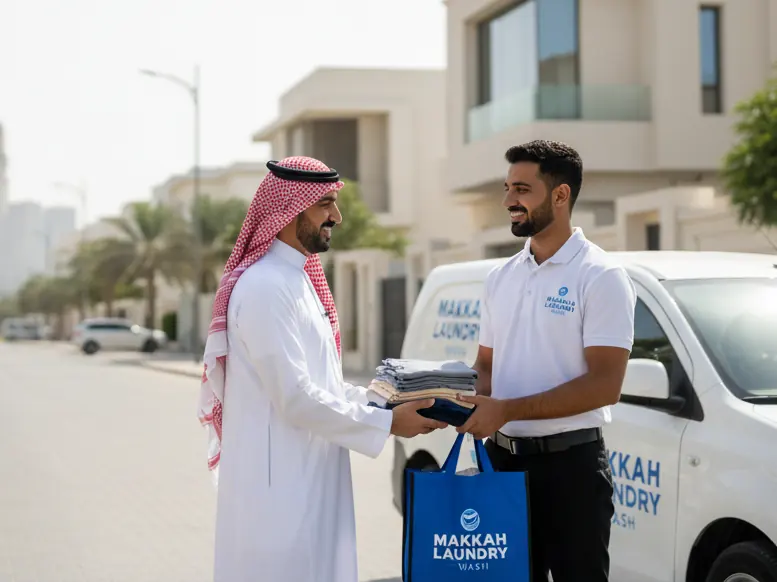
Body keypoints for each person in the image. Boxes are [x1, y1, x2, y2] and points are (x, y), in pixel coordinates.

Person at [197, 156, 446, 582]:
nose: (337, 216)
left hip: (309, 481)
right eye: (325, 203)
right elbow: (295, 398)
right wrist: (385, 424)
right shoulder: (265, 287)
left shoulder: (296, 281)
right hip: (279, 496)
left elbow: (321, 387)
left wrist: (385, 400)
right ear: (290, 210)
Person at [456, 140, 637, 582]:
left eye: (521, 189)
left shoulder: (601, 276)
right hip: (502, 465)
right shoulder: (500, 277)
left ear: (560, 195)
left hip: (571, 470)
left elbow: (604, 386)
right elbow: (486, 368)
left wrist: (509, 409)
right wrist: (444, 397)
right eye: (507, 188)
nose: (508, 202)